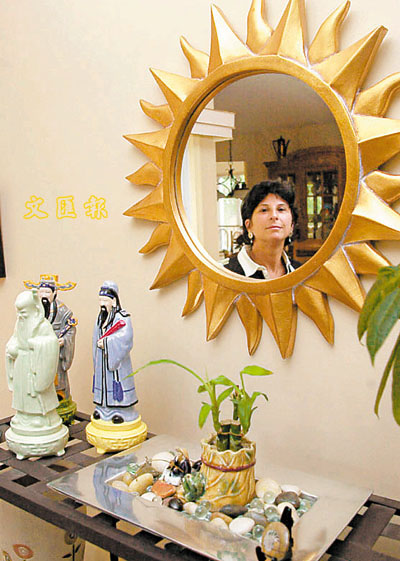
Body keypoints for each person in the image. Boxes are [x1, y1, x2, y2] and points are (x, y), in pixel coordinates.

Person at [5, 290, 60, 427]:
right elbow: (15, 338)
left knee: (35, 392)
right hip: (21, 362)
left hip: (35, 363)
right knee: (22, 391)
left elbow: (52, 342)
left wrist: (35, 344)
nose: (20, 315)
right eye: (18, 312)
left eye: (23, 312)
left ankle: (40, 417)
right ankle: (23, 415)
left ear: (33, 309)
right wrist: (12, 347)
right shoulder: (19, 323)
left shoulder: (43, 325)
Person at [225, 180, 300, 279]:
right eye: (264, 210)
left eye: (281, 209)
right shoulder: (223, 274)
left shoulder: (302, 273)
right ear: (248, 225)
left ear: (292, 225)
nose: (274, 216)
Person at [92, 281, 138, 424]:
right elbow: (95, 337)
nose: (102, 304)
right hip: (102, 360)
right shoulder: (100, 318)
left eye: (105, 301)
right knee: (103, 382)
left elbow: (126, 338)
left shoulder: (122, 317)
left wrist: (106, 343)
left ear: (113, 301)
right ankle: (103, 408)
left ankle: (120, 410)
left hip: (117, 362)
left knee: (117, 382)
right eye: (100, 300)